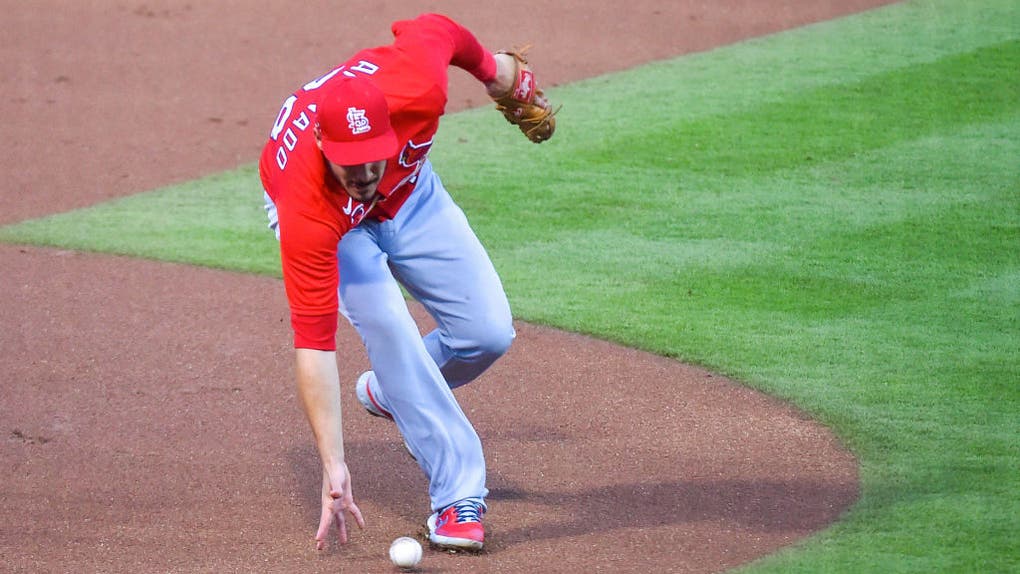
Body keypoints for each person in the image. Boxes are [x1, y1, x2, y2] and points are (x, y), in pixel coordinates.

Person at [258, 13, 554, 552]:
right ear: (322, 144)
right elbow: (314, 345)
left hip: (413, 196)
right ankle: (458, 498)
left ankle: (390, 389)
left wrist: (493, 72)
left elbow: (437, 28)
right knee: (390, 329)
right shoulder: (307, 208)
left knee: (486, 333)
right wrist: (334, 464)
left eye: (371, 160)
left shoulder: (418, 87)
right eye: (349, 166)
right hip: (339, 229)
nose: (362, 177)